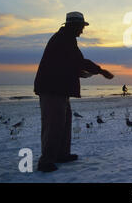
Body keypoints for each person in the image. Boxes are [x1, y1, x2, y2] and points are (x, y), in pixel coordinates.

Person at [34, 11, 114, 172]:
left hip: (59, 89)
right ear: (73, 26)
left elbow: (68, 64)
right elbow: (78, 61)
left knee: (64, 122)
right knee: (54, 125)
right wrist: (101, 70)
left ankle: (61, 154)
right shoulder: (64, 39)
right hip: (52, 89)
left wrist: (82, 72)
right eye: (81, 27)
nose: (82, 30)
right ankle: (46, 161)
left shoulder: (66, 39)